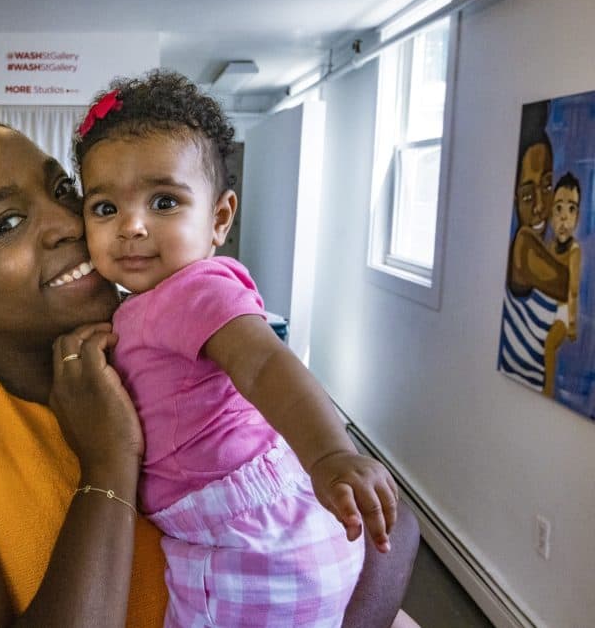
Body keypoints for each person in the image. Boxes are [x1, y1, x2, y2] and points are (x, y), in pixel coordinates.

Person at [0, 98, 418, 627]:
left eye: (61, 191)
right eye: (6, 224)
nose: (65, 225)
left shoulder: (156, 335)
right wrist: (108, 466)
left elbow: (387, 523)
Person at [73, 70, 399, 627]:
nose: (131, 225)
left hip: (245, 543)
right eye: (105, 208)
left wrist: (328, 454)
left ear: (219, 217)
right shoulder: (144, 303)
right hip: (235, 531)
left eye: (164, 202)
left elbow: (267, 362)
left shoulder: (195, 290)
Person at [498, 139, 570, 390]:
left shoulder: (547, 248)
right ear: (515, 198)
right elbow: (569, 286)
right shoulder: (524, 246)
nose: (540, 206)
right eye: (528, 196)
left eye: (548, 185)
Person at [543, 172, 582, 396]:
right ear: (551, 215)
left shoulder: (574, 251)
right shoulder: (549, 247)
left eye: (571, 209)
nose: (564, 218)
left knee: (549, 347)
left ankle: (547, 392)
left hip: (563, 312)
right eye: (559, 209)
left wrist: (573, 323)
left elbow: (574, 289)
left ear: (577, 217)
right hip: (547, 306)